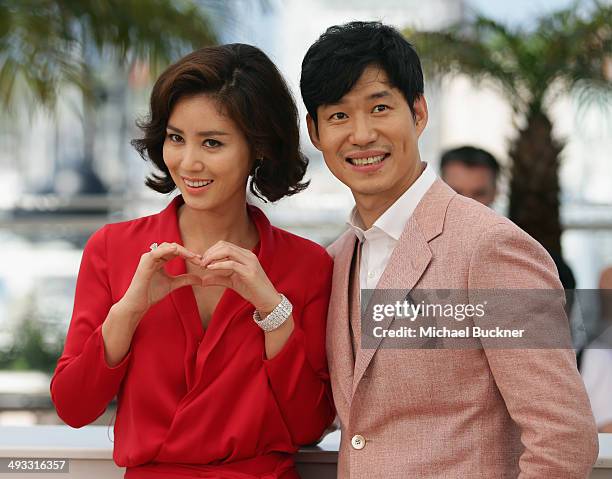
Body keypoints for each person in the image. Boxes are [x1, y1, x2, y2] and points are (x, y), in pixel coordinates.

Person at [300, 21, 598, 478]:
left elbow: (563, 438)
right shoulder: (337, 259)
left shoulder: (491, 247)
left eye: (379, 107)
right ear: (315, 133)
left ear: (418, 113)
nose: (360, 135)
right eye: (338, 115)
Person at [50, 44, 335, 479]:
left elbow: (308, 426)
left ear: (258, 148)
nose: (188, 162)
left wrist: (273, 311)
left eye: (213, 143)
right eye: (176, 138)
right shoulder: (112, 249)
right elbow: (73, 407)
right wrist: (128, 312)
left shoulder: (308, 265)